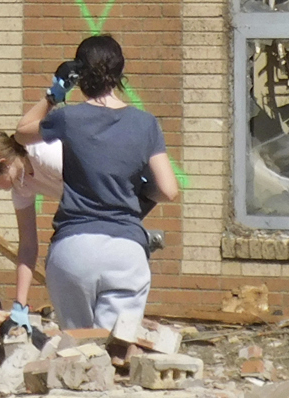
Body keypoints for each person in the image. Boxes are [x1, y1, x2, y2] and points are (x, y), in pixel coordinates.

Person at [13, 34, 179, 330]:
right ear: (119, 74)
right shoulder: (146, 123)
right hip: (125, 250)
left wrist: (54, 95)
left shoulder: (68, 118)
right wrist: (141, 191)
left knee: (77, 353)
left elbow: (22, 133)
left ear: (79, 74)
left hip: (73, 250)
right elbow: (168, 190)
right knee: (115, 353)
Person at [0, 128, 63, 332]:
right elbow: (28, 245)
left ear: (3, 163)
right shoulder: (21, 186)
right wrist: (19, 305)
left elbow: (91, 182)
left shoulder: (45, 155)